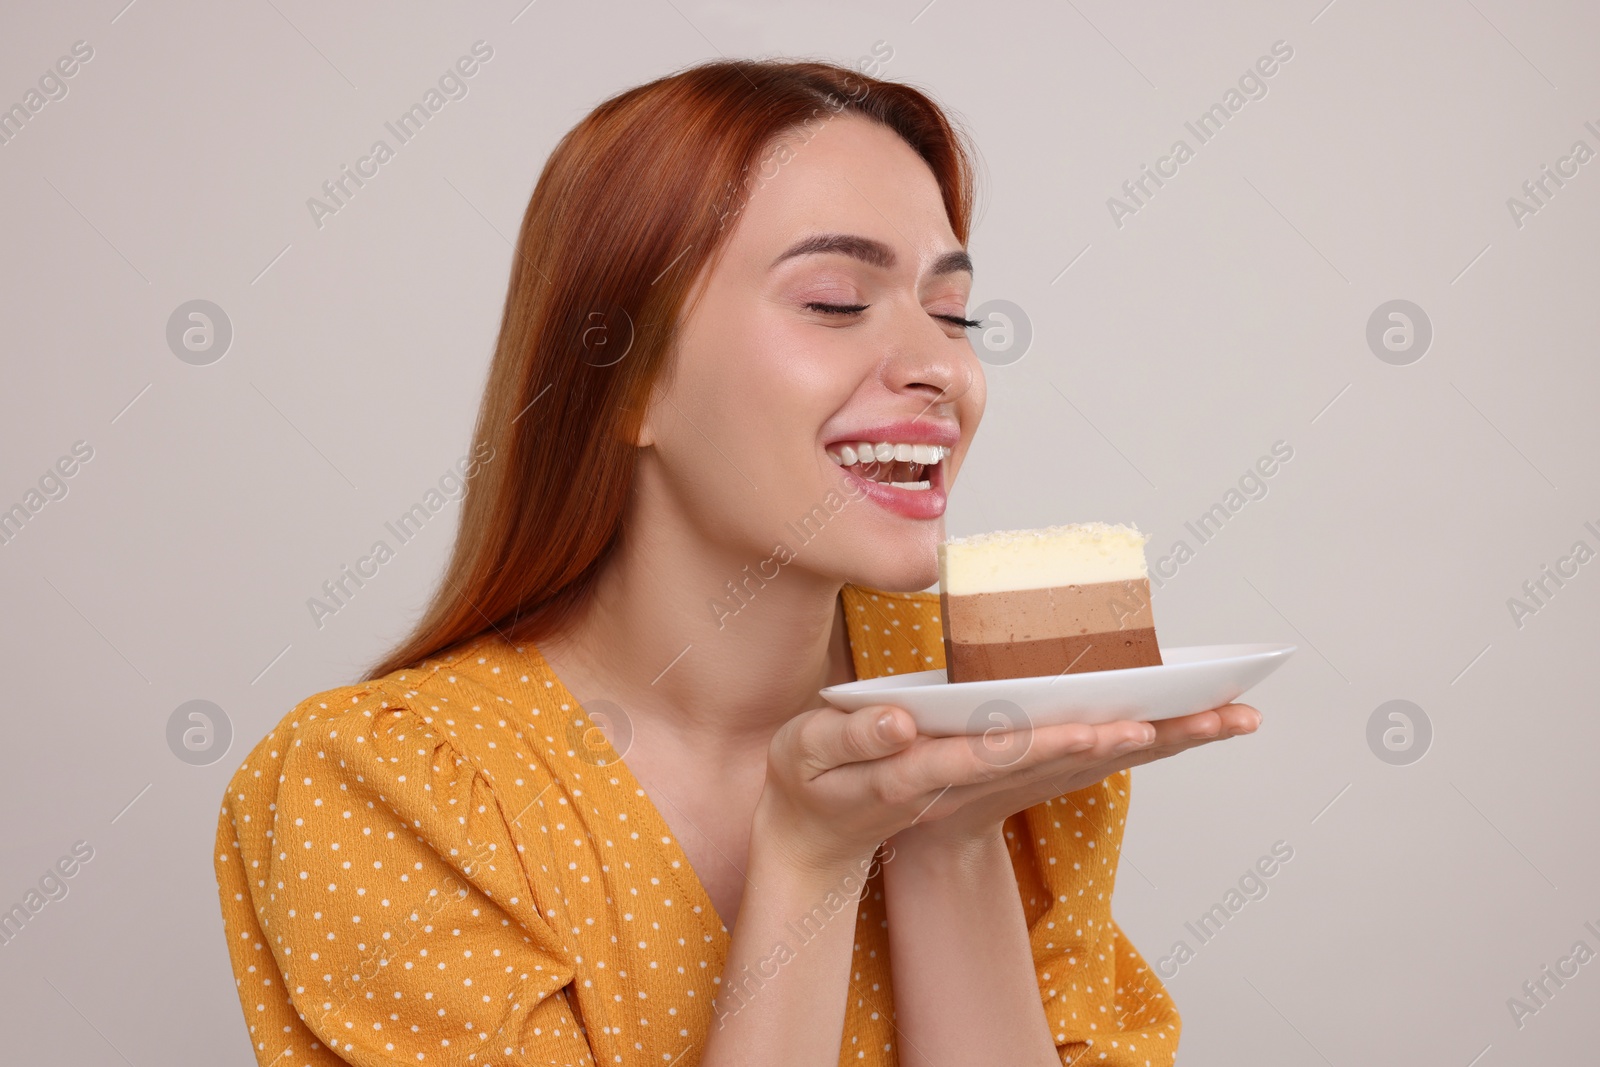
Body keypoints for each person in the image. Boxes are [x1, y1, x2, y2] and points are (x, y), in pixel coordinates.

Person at [213, 57, 1261, 1067]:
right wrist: (810, 856)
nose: (942, 367)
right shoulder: (377, 791)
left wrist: (949, 835)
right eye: (836, 302)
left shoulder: (1003, 714)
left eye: (953, 312)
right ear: (624, 382)